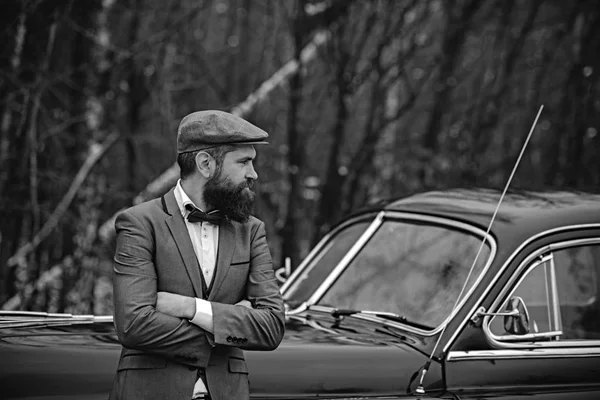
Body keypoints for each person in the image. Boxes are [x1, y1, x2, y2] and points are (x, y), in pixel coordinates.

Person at [109, 110, 285, 400]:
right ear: (205, 163)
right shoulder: (140, 223)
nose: (253, 174)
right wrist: (229, 324)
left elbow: (272, 327)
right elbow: (133, 325)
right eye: (244, 162)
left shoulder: (251, 231)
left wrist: (191, 309)